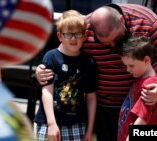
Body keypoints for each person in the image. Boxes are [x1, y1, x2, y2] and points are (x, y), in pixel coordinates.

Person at [35, 3, 157, 141]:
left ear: (121, 21)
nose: (112, 45)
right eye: (104, 43)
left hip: (139, 100)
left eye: (116, 39)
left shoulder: (148, 22)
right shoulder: (84, 27)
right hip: (101, 107)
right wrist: (43, 70)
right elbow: (64, 52)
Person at [34, 10, 97, 141]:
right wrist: (51, 124)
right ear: (60, 36)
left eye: (78, 34)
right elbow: (47, 92)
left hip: (77, 124)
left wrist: (90, 130)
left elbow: (91, 97)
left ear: (84, 36)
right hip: (49, 123)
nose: (73, 38)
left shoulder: (88, 62)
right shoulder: (51, 57)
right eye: (68, 34)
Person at [117, 36, 157, 141]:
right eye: (126, 66)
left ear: (146, 60)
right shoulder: (141, 78)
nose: (127, 69)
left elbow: (143, 117)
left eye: (131, 66)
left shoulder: (149, 86)